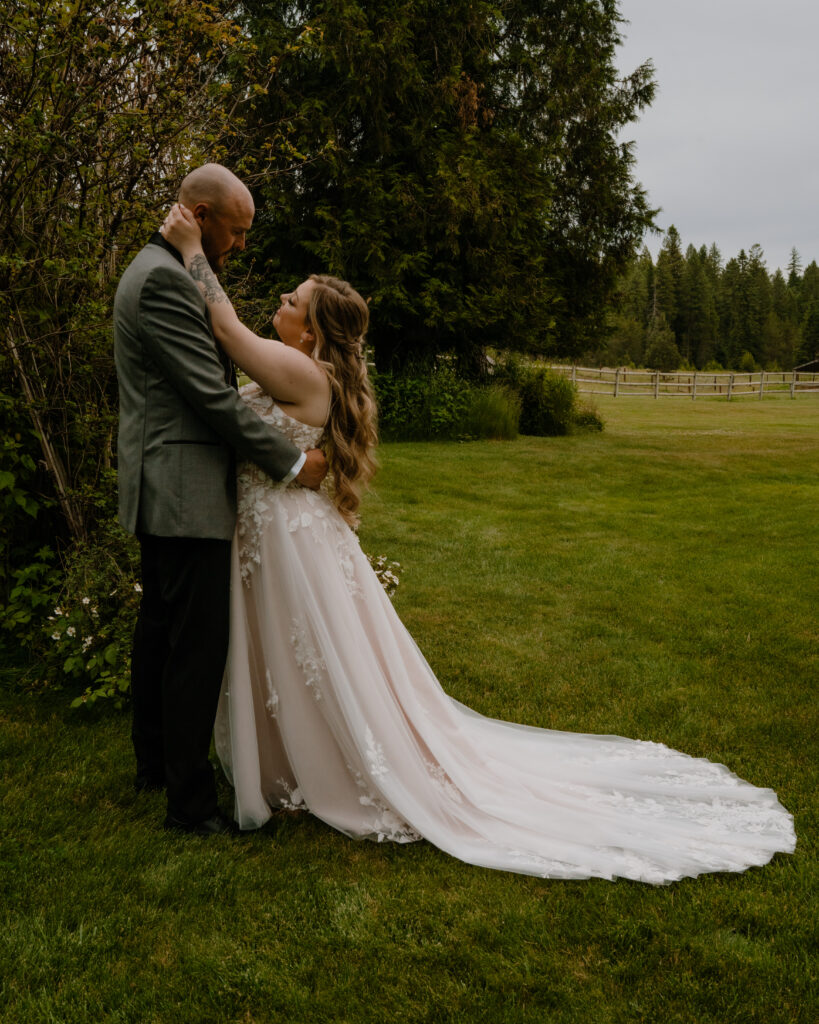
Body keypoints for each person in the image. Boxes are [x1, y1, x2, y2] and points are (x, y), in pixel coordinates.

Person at [160, 203, 796, 883]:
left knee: (310, 660)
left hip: (288, 537)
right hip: (283, 532)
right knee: (304, 661)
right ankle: (295, 762)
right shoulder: (300, 367)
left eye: (291, 300)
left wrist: (190, 247)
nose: (280, 302)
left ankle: (331, 770)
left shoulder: (303, 374)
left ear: (311, 331)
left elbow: (225, 328)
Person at [113, 165, 328, 837]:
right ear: (200, 217)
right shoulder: (162, 284)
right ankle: (189, 805)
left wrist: (197, 258)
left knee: (161, 633)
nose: (239, 244)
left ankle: (154, 764)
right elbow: (210, 396)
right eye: (234, 231)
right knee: (192, 648)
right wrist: (292, 461)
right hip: (182, 489)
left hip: (169, 482)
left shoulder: (164, 268)